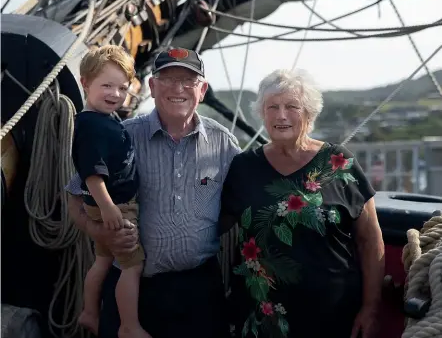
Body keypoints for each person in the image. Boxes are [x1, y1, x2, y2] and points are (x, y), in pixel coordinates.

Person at [66, 47, 242, 338]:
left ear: (203, 89)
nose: (178, 88)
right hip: (134, 291)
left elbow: (249, 193)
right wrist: (99, 232)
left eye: (188, 81)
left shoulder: (223, 144)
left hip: (198, 292)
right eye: (168, 78)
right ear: (152, 86)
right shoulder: (123, 135)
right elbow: (75, 195)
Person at [220, 69, 385, 338]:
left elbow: (370, 239)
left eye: (291, 106)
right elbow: (213, 225)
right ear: (262, 113)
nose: (281, 115)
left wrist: (371, 308)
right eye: (272, 107)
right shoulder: (243, 167)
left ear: (309, 113)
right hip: (262, 319)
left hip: (334, 316)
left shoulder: (339, 163)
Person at [72, 45, 150, 338]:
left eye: (122, 88)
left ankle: (90, 312)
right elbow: (92, 174)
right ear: (85, 83)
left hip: (107, 205)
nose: (115, 94)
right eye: (107, 86)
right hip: (117, 206)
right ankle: (129, 326)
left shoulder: (102, 121)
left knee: (103, 260)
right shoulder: (93, 127)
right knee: (132, 265)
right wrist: (108, 208)